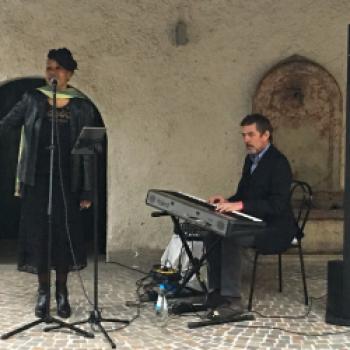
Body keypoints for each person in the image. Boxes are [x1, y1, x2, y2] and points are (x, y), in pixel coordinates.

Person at [0, 48, 97, 318]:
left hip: (69, 181)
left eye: (57, 68)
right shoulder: (32, 99)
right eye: (48, 68)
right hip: (37, 180)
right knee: (39, 236)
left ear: (69, 73)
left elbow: (88, 151)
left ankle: (62, 292)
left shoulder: (81, 105)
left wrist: (88, 188)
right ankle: (43, 292)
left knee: (62, 237)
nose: (52, 73)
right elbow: (7, 124)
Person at [206, 113, 296, 319]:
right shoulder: (250, 161)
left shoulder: (279, 163)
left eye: (251, 134)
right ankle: (216, 292)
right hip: (254, 221)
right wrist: (226, 201)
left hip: (275, 228)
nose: (246, 140)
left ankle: (233, 300)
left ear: (266, 135)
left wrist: (240, 204)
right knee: (213, 233)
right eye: (243, 135)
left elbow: (277, 205)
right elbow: (243, 195)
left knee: (231, 236)